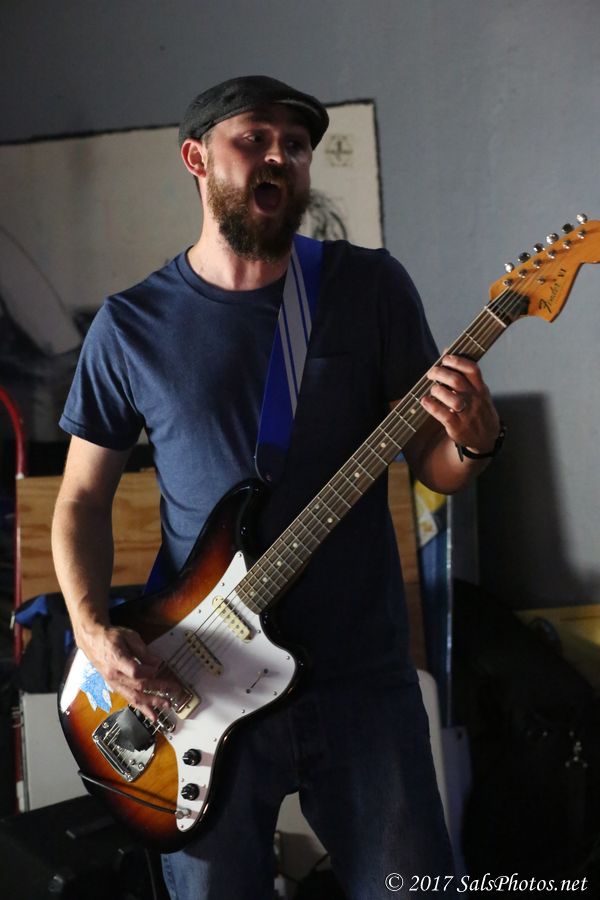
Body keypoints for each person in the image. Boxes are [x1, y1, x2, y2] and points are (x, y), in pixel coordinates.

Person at [52, 75, 502, 900]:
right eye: (254, 138)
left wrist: (472, 442)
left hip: (362, 681)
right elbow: (80, 500)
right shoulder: (132, 326)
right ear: (197, 159)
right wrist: (91, 632)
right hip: (196, 683)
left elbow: (432, 463)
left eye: (295, 146)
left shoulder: (368, 288)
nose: (280, 157)